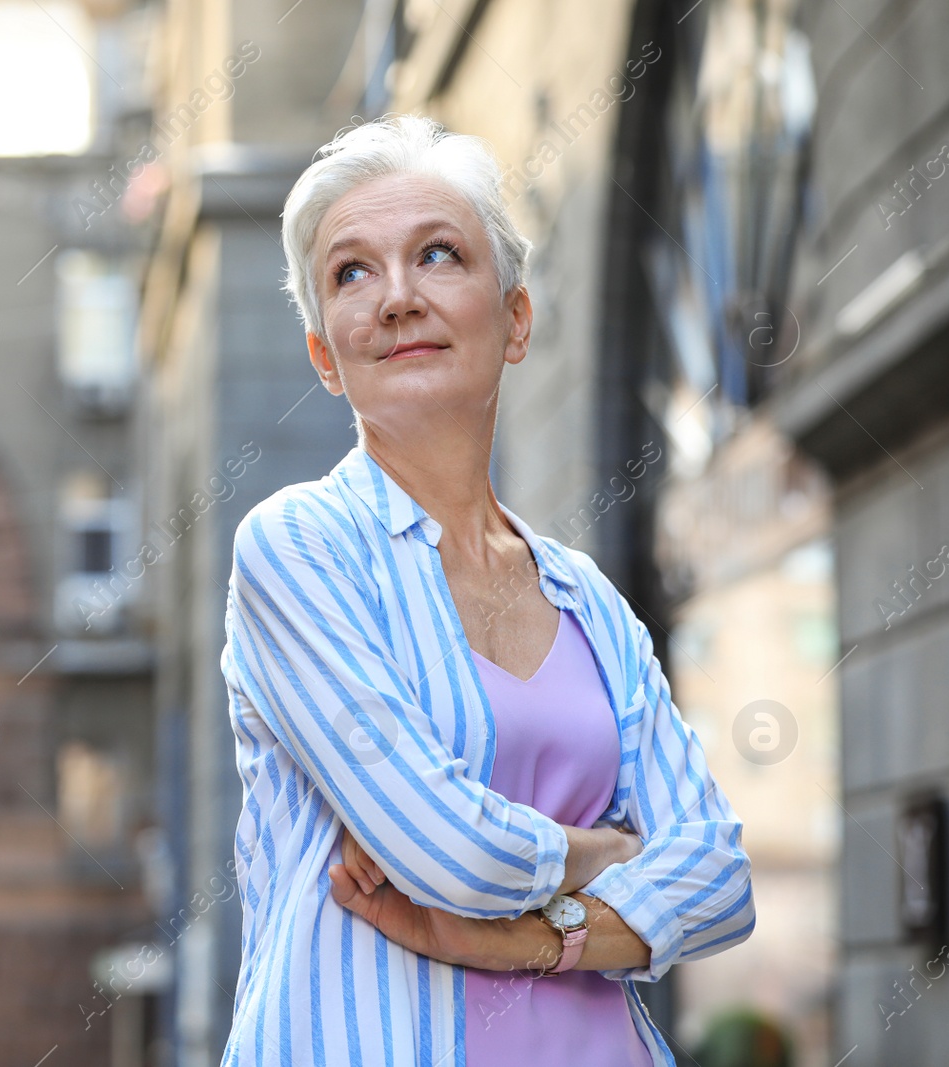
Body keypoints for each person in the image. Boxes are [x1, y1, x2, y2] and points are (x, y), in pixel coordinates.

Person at [220, 114, 754, 1066]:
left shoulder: (587, 599)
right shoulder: (297, 549)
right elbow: (443, 848)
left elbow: (717, 877)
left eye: (438, 254)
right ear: (323, 355)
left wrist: (525, 937)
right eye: (352, 272)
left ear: (515, 318)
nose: (395, 299)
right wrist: (603, 851)